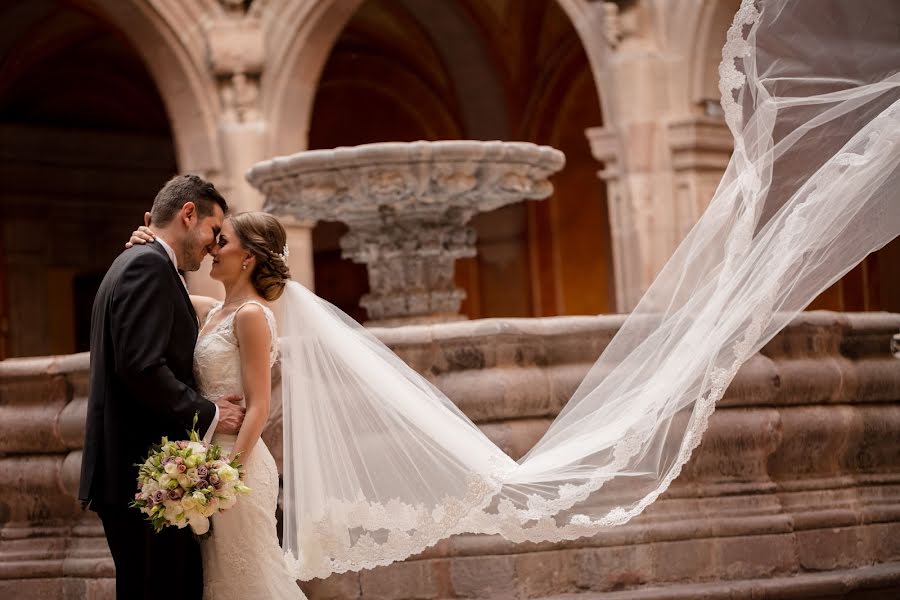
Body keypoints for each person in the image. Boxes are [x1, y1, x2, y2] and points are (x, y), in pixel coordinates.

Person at [79, 174, 247, 599]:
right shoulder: (147, 265)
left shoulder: (141, 261)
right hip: (142, 476)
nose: (213, 245)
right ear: (188, 214)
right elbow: (142, 368)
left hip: (136, 476)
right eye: (213, 231)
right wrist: (210, 413)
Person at [129, 212, 304, 599]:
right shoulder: (210, 311)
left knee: (250, 578)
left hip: (235, 468)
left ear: (248, 258)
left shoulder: (252, 316)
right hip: (206, 463)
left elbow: (259, 406)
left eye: (221, 242)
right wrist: (148, 243)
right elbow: (156, 284)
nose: (210, 249)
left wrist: (228, 477)